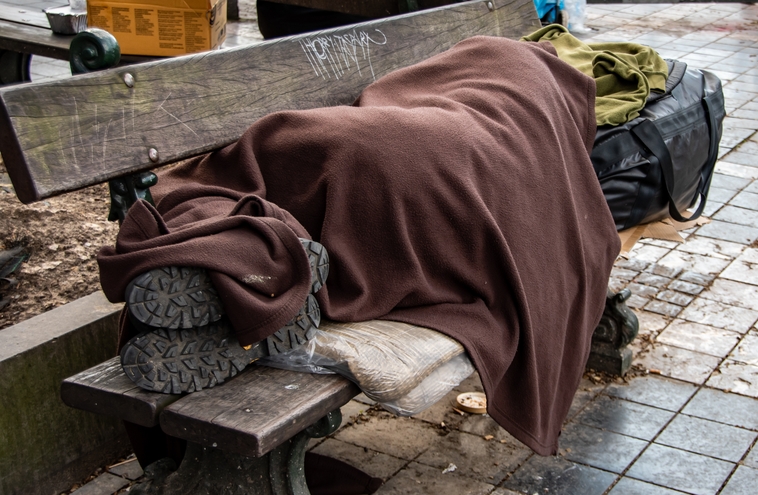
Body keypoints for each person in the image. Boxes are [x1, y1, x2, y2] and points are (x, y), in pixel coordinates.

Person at [98, 33, 620, 461]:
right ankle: (262, 274)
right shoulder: (519, 64)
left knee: (310, 168)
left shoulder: (504, 63)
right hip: (442, 157)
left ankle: (256, 270)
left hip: (420, 150)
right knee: (375, 177)